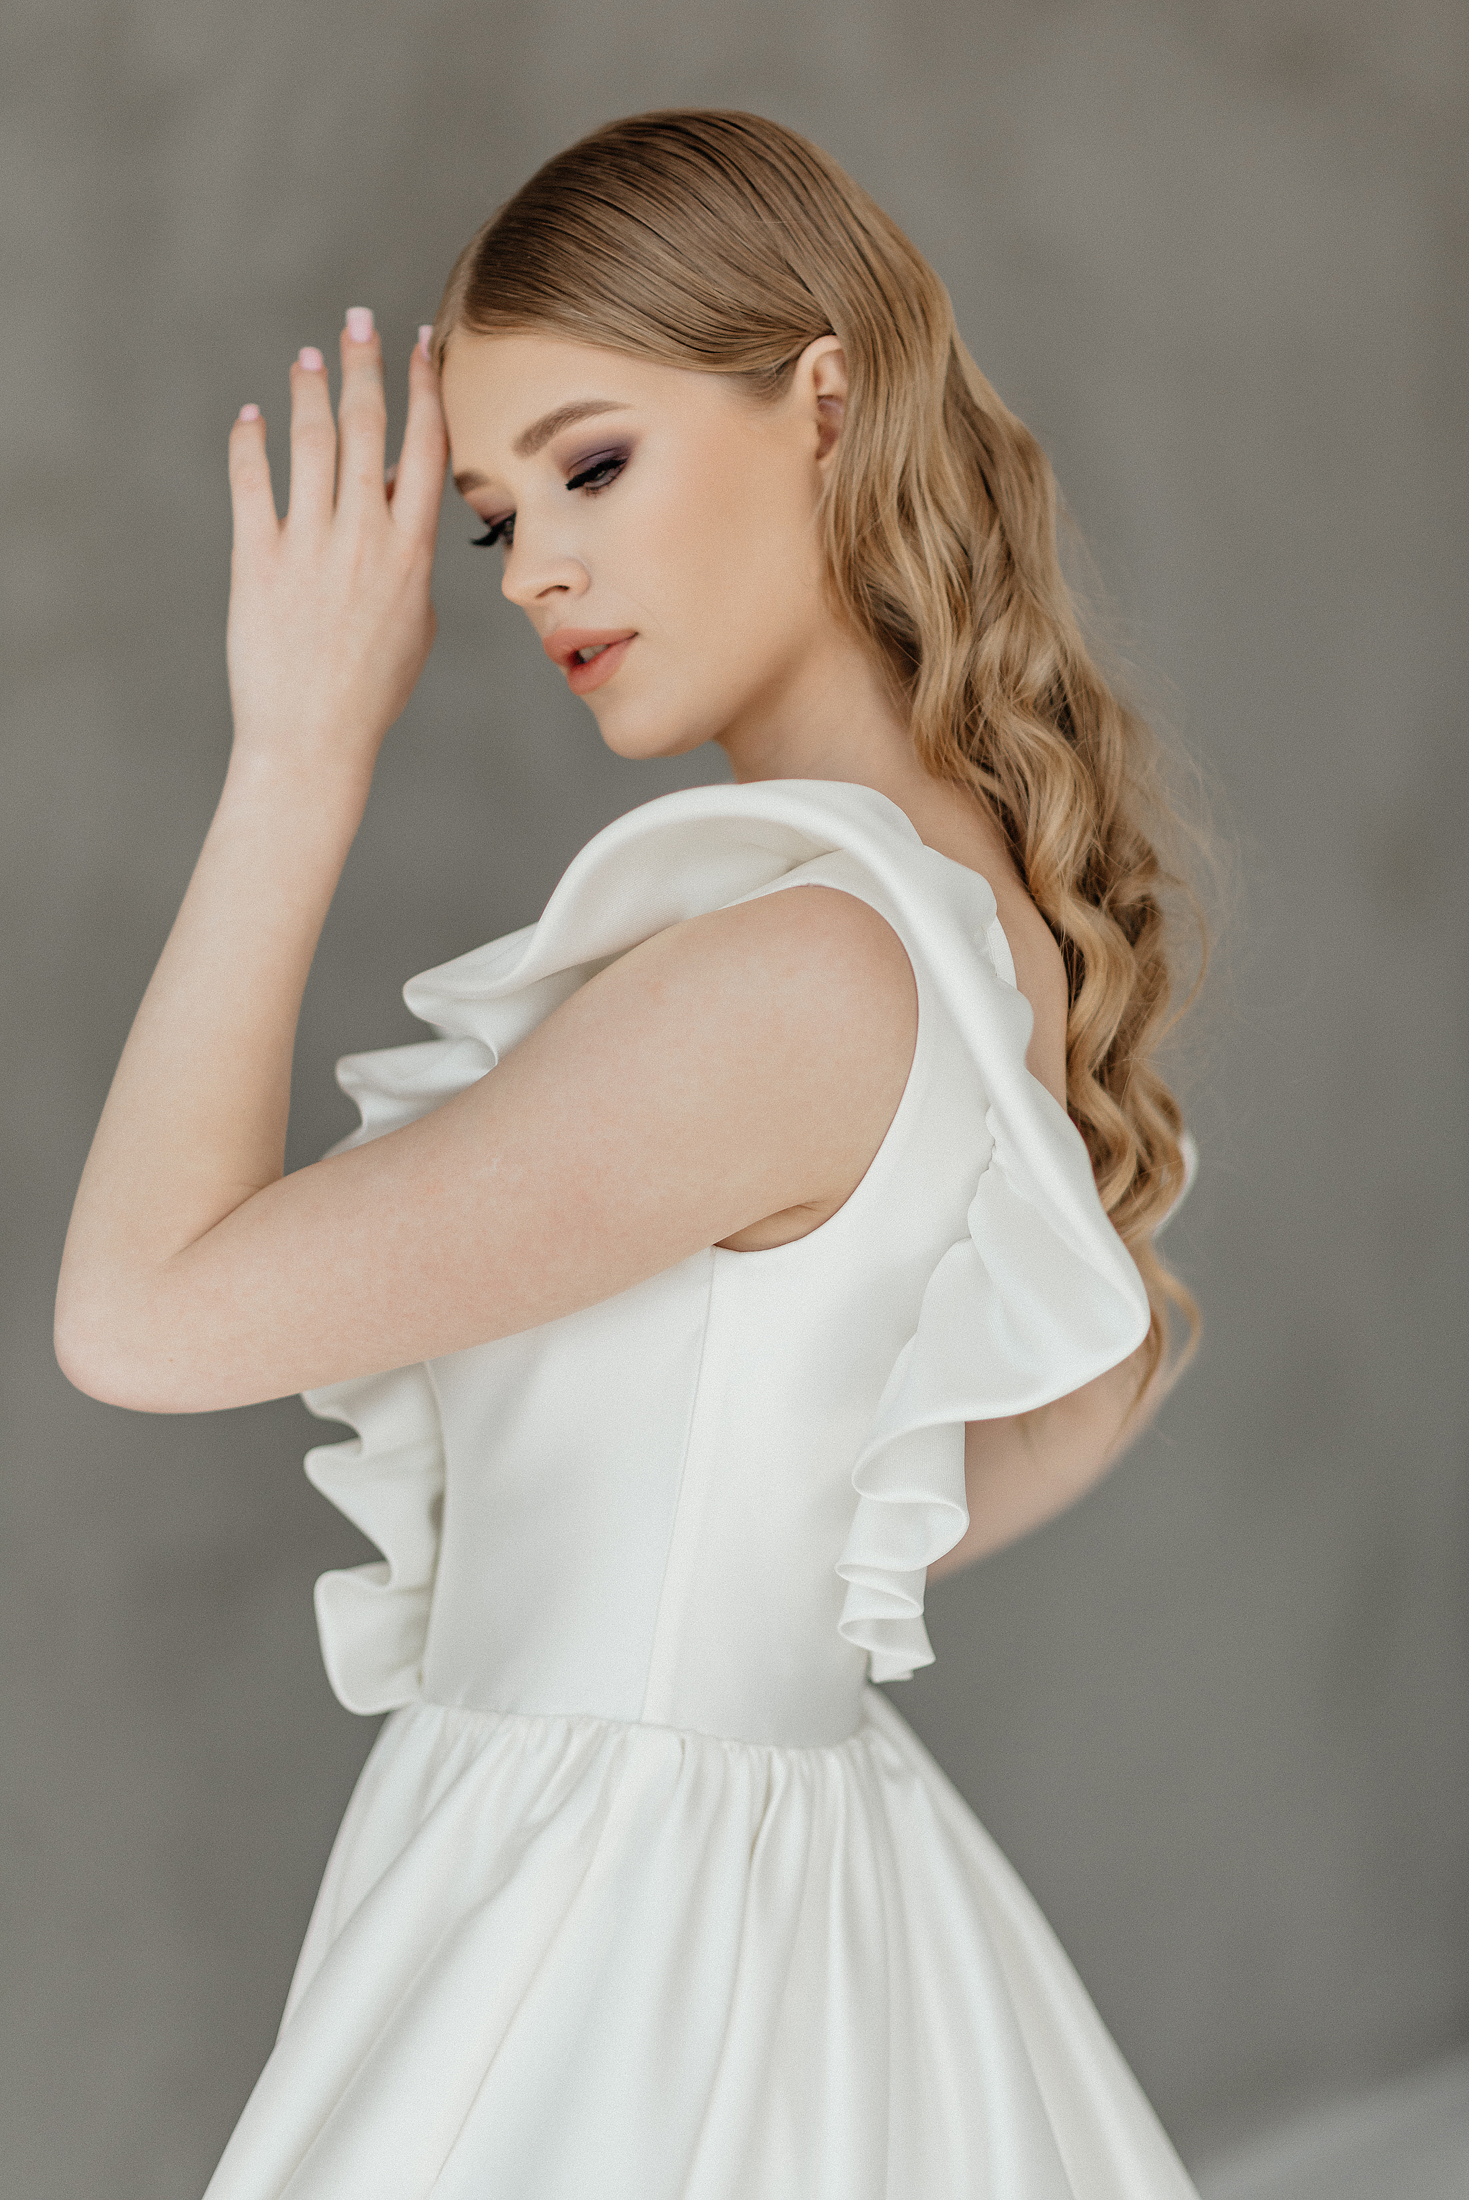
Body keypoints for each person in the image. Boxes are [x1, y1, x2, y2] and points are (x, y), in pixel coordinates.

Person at [57, 109, 1204, 2200]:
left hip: (609, 1920)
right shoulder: (967, 920)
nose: (533, 573)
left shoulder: (799, 973)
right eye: (495, 520)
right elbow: (1028, 1422)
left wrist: (298, 755)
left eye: (590, 465)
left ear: (823, 404)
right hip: (790, 1875)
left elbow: (136, 1318)